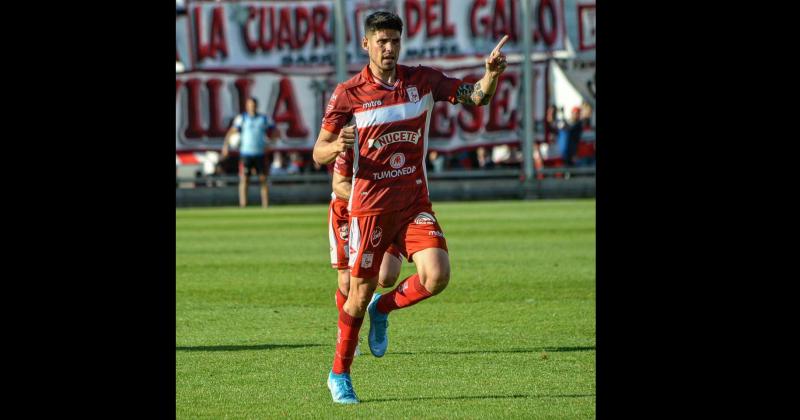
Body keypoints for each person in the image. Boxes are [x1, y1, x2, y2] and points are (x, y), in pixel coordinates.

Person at [312, 10, 508, 404]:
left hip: (414, 201)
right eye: (381, 41)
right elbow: (319, 152)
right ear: (366, 44)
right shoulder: (347, 93)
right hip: (369, 207)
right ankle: (339, 375)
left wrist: (492, 74)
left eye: (394, 41)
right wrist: (339, 145)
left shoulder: (422, 80)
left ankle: (383, 310)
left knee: (437, 276)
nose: (389, 48)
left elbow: (476, 97)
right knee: (358, 291)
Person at [328, 149, 403, 353]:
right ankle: (351, 338)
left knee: (387, 276)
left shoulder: (398, 130)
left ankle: (378, 306)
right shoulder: (352, 132)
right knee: (346, 282)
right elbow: (321, 157)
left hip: (384, 208)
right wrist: (337, 143)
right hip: (347, 208)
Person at [222, 97, 280, 208]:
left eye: (253, 105)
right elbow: (231, 132)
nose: (251, 107)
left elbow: (276, 131)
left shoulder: (264, 119)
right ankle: (243, 205)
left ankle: (265, 205)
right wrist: (225, 146)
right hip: (246, 153)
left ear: (256, 106)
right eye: (249, 105)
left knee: (263, 179)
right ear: (247, 106)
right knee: (244, 179)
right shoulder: (242, 118)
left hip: (260, 153)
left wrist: (271, 143)